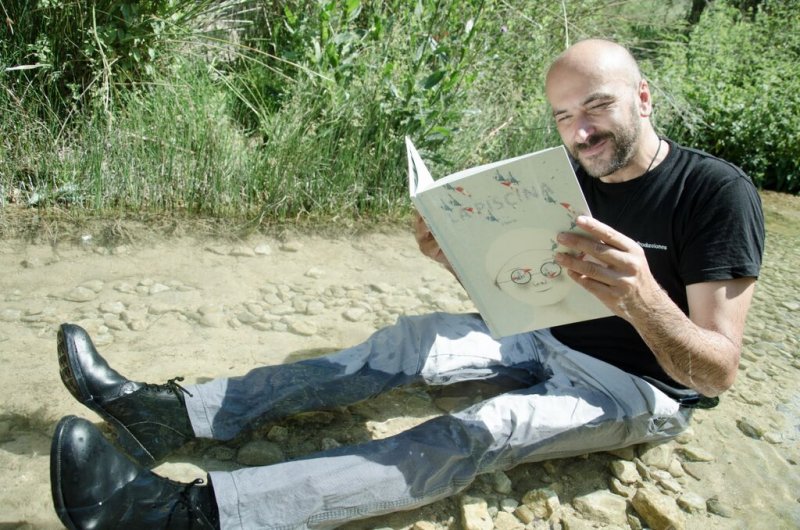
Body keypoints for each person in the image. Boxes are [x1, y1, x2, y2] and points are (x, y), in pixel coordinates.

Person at [50, 39, 765, 530]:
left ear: (643, 96)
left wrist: (641, 298)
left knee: (479, 431)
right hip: (545, 335)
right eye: (564, 116)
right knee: (407, 342)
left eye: (597, 106)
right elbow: (529, 288)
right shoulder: (568, 177)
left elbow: (715, 372)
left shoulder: (714, 193)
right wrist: (456, 255)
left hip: (636, 386)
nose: (580, 132)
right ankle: (173, 415)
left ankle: (185, 516)